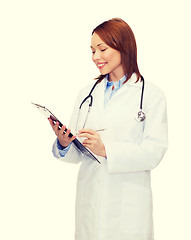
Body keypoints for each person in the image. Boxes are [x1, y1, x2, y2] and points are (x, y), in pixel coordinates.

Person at [49, 18, 168, 240]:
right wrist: (65, 143)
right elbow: (78, 153)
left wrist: (107, 150)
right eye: (92, 50)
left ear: (123, 46)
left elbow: (154, 152)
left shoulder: (151, 95)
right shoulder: (86, 94)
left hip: (129, 206)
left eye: (102, 49)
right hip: (90, 202)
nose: (95, 57)